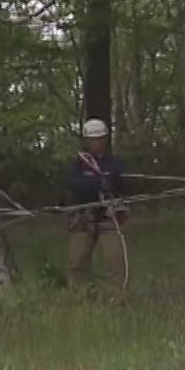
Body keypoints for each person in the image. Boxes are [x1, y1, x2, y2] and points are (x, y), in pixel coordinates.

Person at [65, 118, 129, 296]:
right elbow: (73, 184)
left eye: (100, 138)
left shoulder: (115, 163)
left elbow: (123, 186)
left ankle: (116, 297)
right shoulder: (79, 163)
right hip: (83, 219)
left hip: (108, 218)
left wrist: (113, 184)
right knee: (77, 261)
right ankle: (78, 295)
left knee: (115, 261)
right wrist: (97, 184)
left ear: (106, 139)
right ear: (86, 140)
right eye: (93, 139)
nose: (97, 143)